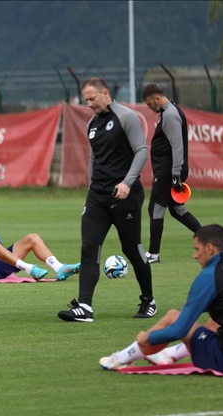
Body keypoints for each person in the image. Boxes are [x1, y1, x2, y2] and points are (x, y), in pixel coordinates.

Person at [58, 78, 156, 323]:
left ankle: (149, 300)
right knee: (89, 248)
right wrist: (89, 194)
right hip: (97, 198)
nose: (89, 104)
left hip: (126, 197)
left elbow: (141, 151)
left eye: (92, 98)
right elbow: (94, 159)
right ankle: (85, 307)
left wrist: (127, 182)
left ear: (105, 93)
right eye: (86, 100)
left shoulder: (126, 117)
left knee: (131, 249)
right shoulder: (91, 124)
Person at [99, 224, 223, 373]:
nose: (195, 256)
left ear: (209, 248)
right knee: (221, 317)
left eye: (197, 249)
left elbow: (179, 330)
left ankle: (121, 358)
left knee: (172, 316)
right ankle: (168, 355)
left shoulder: (209, 275)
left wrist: (148, 337)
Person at [141, 83, 202, 264]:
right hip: (169, 170)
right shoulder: (168, 111)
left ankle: (153, 254)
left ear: (157, 99)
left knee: (156, 207)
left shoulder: (170, 114)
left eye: (149, 104)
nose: (149, 107)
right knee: (177, 210)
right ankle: (211, 239)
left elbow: (177, 146)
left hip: (167, 172)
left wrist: (176, 174)